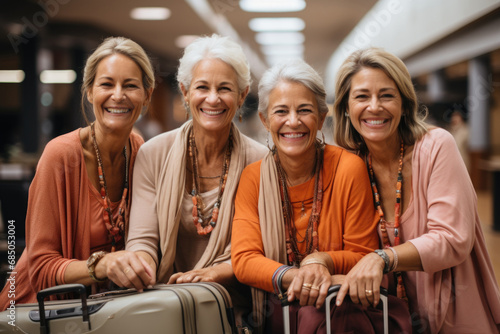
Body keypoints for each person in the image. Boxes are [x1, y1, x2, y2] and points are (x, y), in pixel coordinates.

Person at [102, 34, 267, 329]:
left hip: (233, 310)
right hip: (164, 303)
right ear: (185, 91)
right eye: (202, 87)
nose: (213, 98)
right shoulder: (153, 154)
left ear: (242, 96)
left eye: (225, 89)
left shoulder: (261, 162)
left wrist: (219, 273)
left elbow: (263, 249)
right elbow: (142, 240)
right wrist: (140, 266)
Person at [333, 47, 500, 333]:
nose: (374, 106)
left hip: (454, 313)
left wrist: (382, 257)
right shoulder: (349, 165)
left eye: (386, 95)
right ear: (346, 108)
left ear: (404, 104)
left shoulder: (436, 146)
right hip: (389, 319)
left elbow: (452, 239)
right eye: (362, 96)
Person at [0, 36, 154, 310]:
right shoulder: (60, 155)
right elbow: (40, 269)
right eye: (106, 84)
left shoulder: (138, 149)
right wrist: (103, 264)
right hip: (32, 312)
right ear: (90, 92)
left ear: (147, 95)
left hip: (97, 312)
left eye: (130, 85)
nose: (118, 95)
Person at [231, 59, 380, 333]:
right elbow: (244, 259)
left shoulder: (348, 168)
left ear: (322, 117)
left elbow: (364, 254)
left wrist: (320, 261)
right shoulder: (254, 178)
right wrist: (302, 277)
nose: (293, 121)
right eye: (281, 111)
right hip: (277, 315)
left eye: (304, 110)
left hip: (341, 315)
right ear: (264, 120)